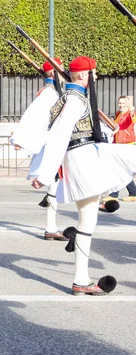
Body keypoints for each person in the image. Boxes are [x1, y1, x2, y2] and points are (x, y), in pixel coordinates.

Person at [31, 56, 136, 295]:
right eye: (93, 73)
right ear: (82, 75)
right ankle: (80, 279)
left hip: (85, 154)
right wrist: (45, 172)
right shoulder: (75, 101)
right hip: (82, 157)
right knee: (87, 222)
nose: (95, 77)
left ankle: (81, 280)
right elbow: (58, 136)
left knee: (87, 223)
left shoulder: (71, 98)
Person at [11, 59, 68, 241]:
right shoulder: (49, 95)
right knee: (55, 182)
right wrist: (21, 139)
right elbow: (33, 117)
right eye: (60, 70)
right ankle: (52, 227)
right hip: (52, 144)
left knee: (55, 184)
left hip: (57, 143)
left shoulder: (54, 93)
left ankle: (51, 226)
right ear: (53, 73)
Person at [101, 95, 136, 202]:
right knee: (122, 171)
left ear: (127, 104)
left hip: (127, 144)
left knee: (116, 169)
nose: (121, 105)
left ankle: (113, 195)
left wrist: (132, 110)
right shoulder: (118, 114)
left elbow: (133, 118)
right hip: (119, 144)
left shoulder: (129, 114)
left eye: (123, 103)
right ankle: (133, 193)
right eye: (120, 103)